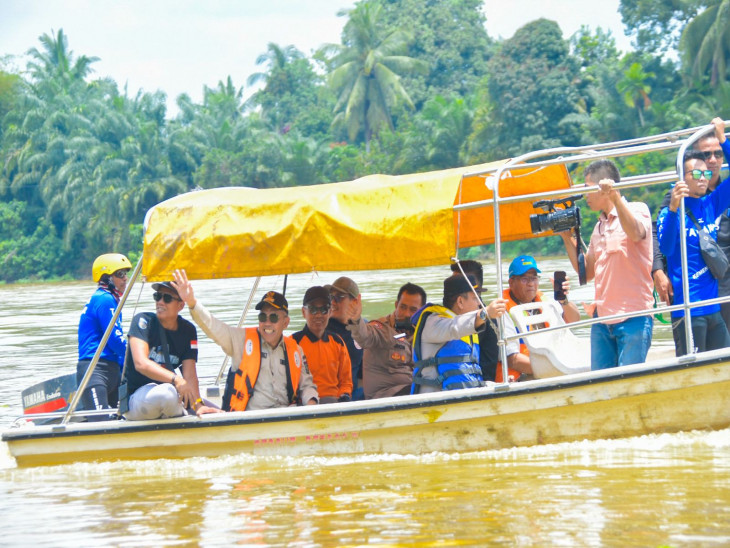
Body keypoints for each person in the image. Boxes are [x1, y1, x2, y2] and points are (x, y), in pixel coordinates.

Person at [173, 269, 318, 410]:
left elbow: (307, 386)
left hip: (286, 417)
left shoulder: (296, 350)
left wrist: (311, 405)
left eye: (273, 317)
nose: (267, 323)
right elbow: (214, 327)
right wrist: (192, 302)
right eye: (262, 317)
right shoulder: (241, 340)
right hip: (250, 420)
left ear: (285, 323)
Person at [560, 159, 654, 370]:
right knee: (601, 381)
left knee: (629, 382)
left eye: (588, 189)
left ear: (603, 188)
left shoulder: (638, 209)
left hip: (633, 317)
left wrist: (616, 198)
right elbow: (587, 272)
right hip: (601, 320)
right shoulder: (598, 227)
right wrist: (567, 238)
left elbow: (636, 233)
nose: (585, 196)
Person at [657, 120, 730, 355]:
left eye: (706, 173)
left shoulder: (711, 203)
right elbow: (666, 247)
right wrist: (674, 209)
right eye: (696, 173)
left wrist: (723, 139)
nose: (703, 177)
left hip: (713, 308)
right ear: (682, 177)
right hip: (688, 311)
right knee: (692, 370)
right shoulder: (671, 209)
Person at [123, 281, 219, 420]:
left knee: (220, 412)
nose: (160, 302)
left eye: (167, 298)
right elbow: (141, 364)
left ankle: (188, 415)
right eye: (158, 296)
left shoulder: (188, 330)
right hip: (137, 398)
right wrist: (176, 379)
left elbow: (190, 375)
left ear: (180, 305)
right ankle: (184, 417)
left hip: (169, 396)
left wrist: (198, 405)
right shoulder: (143, 321)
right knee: (167, 394)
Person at [410, 274, 509, 393]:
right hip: (433, 405)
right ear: (460, 302)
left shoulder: (468, 329)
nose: (479, 303)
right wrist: (485, 313)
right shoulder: (433, 323)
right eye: (475, 297)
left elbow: (470, 378)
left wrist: (499, 384)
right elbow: (455, 327)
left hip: (463, 398)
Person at [347, 282, 427, 399]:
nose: (406, 314)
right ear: (396, 305)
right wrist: (356, 320)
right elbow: (364, 336)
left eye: (413, 310)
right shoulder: (382, 329)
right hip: (385, 396)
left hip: (412, 391)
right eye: (403, 307)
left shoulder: (423, 333)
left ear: (421, 312)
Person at [451, 260, 527, 382]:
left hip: (479, 384)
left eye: (456, 283)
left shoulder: (487, 321)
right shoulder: (450, 317)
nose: (452, 289)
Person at [76, 253, 131, 419]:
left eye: (126, 273)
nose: (125, 279)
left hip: (111, 370)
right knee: (101, 423)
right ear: (106, 277)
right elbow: (115, 339)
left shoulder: (111, 300)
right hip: (96, 371)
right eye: (120, 274)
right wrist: (138, 355)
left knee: (120, 423)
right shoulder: (104, 299)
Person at [504, 255, 581, 357]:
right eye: (524, 279)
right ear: (511, 282)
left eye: (534, 278)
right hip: (526, 370)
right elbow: (512, 359)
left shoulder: (545, 301)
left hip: (552, 361)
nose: (531, 284)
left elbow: (574, 320)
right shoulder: (502, 310)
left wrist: (563, 299)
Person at [293, 286, 352, 404]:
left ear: (330, 312)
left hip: (334, 403)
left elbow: (346, 382)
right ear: (304, 312)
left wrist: (344, 396)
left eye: (324, 309)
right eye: (313, 309)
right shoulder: (293, 343)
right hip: (304, 403)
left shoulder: (338, 342)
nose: (318, 315)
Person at [324, 276, 364, 400]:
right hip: (327, 395)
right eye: (331, 298)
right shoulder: (321, 327)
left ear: (355, 302)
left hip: (353, 394)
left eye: (339, 298)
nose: (333, 302)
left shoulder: (364, 331)